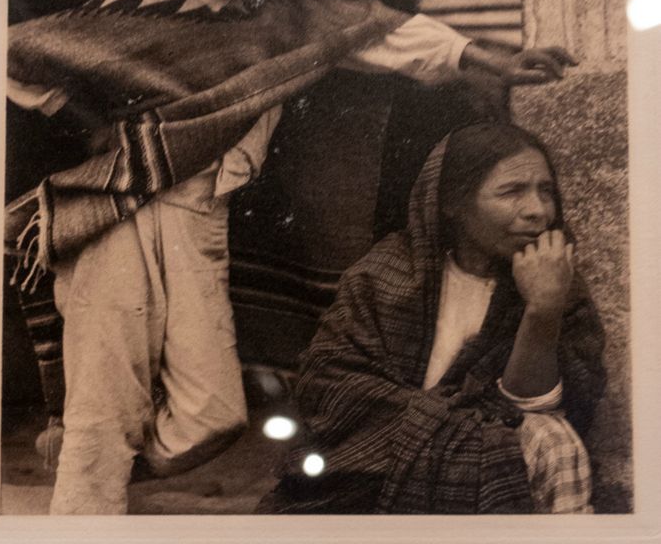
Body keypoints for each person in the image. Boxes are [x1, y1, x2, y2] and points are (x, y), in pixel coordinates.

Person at [5, 0, 577, 515]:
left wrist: (491, 58)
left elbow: (386, 31)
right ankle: (83, 505)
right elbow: (16, 60)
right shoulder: (122, 14)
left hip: (199, 217)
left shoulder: (286, 16)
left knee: (212, 414)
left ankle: (89, 471)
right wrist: (91, 126)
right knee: (107, 390)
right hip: (114, 209)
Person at [259, 122, 605, 514]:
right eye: (511, 192)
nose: (537, 211)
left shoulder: (558, 283)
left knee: (555, 442)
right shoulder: (382, 277)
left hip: (495, 454)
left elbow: (533, 407)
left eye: (546, 191)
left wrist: (543, 307)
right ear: (451, 203)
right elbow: (330, 388)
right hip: (372, 466)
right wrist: (451, 429)